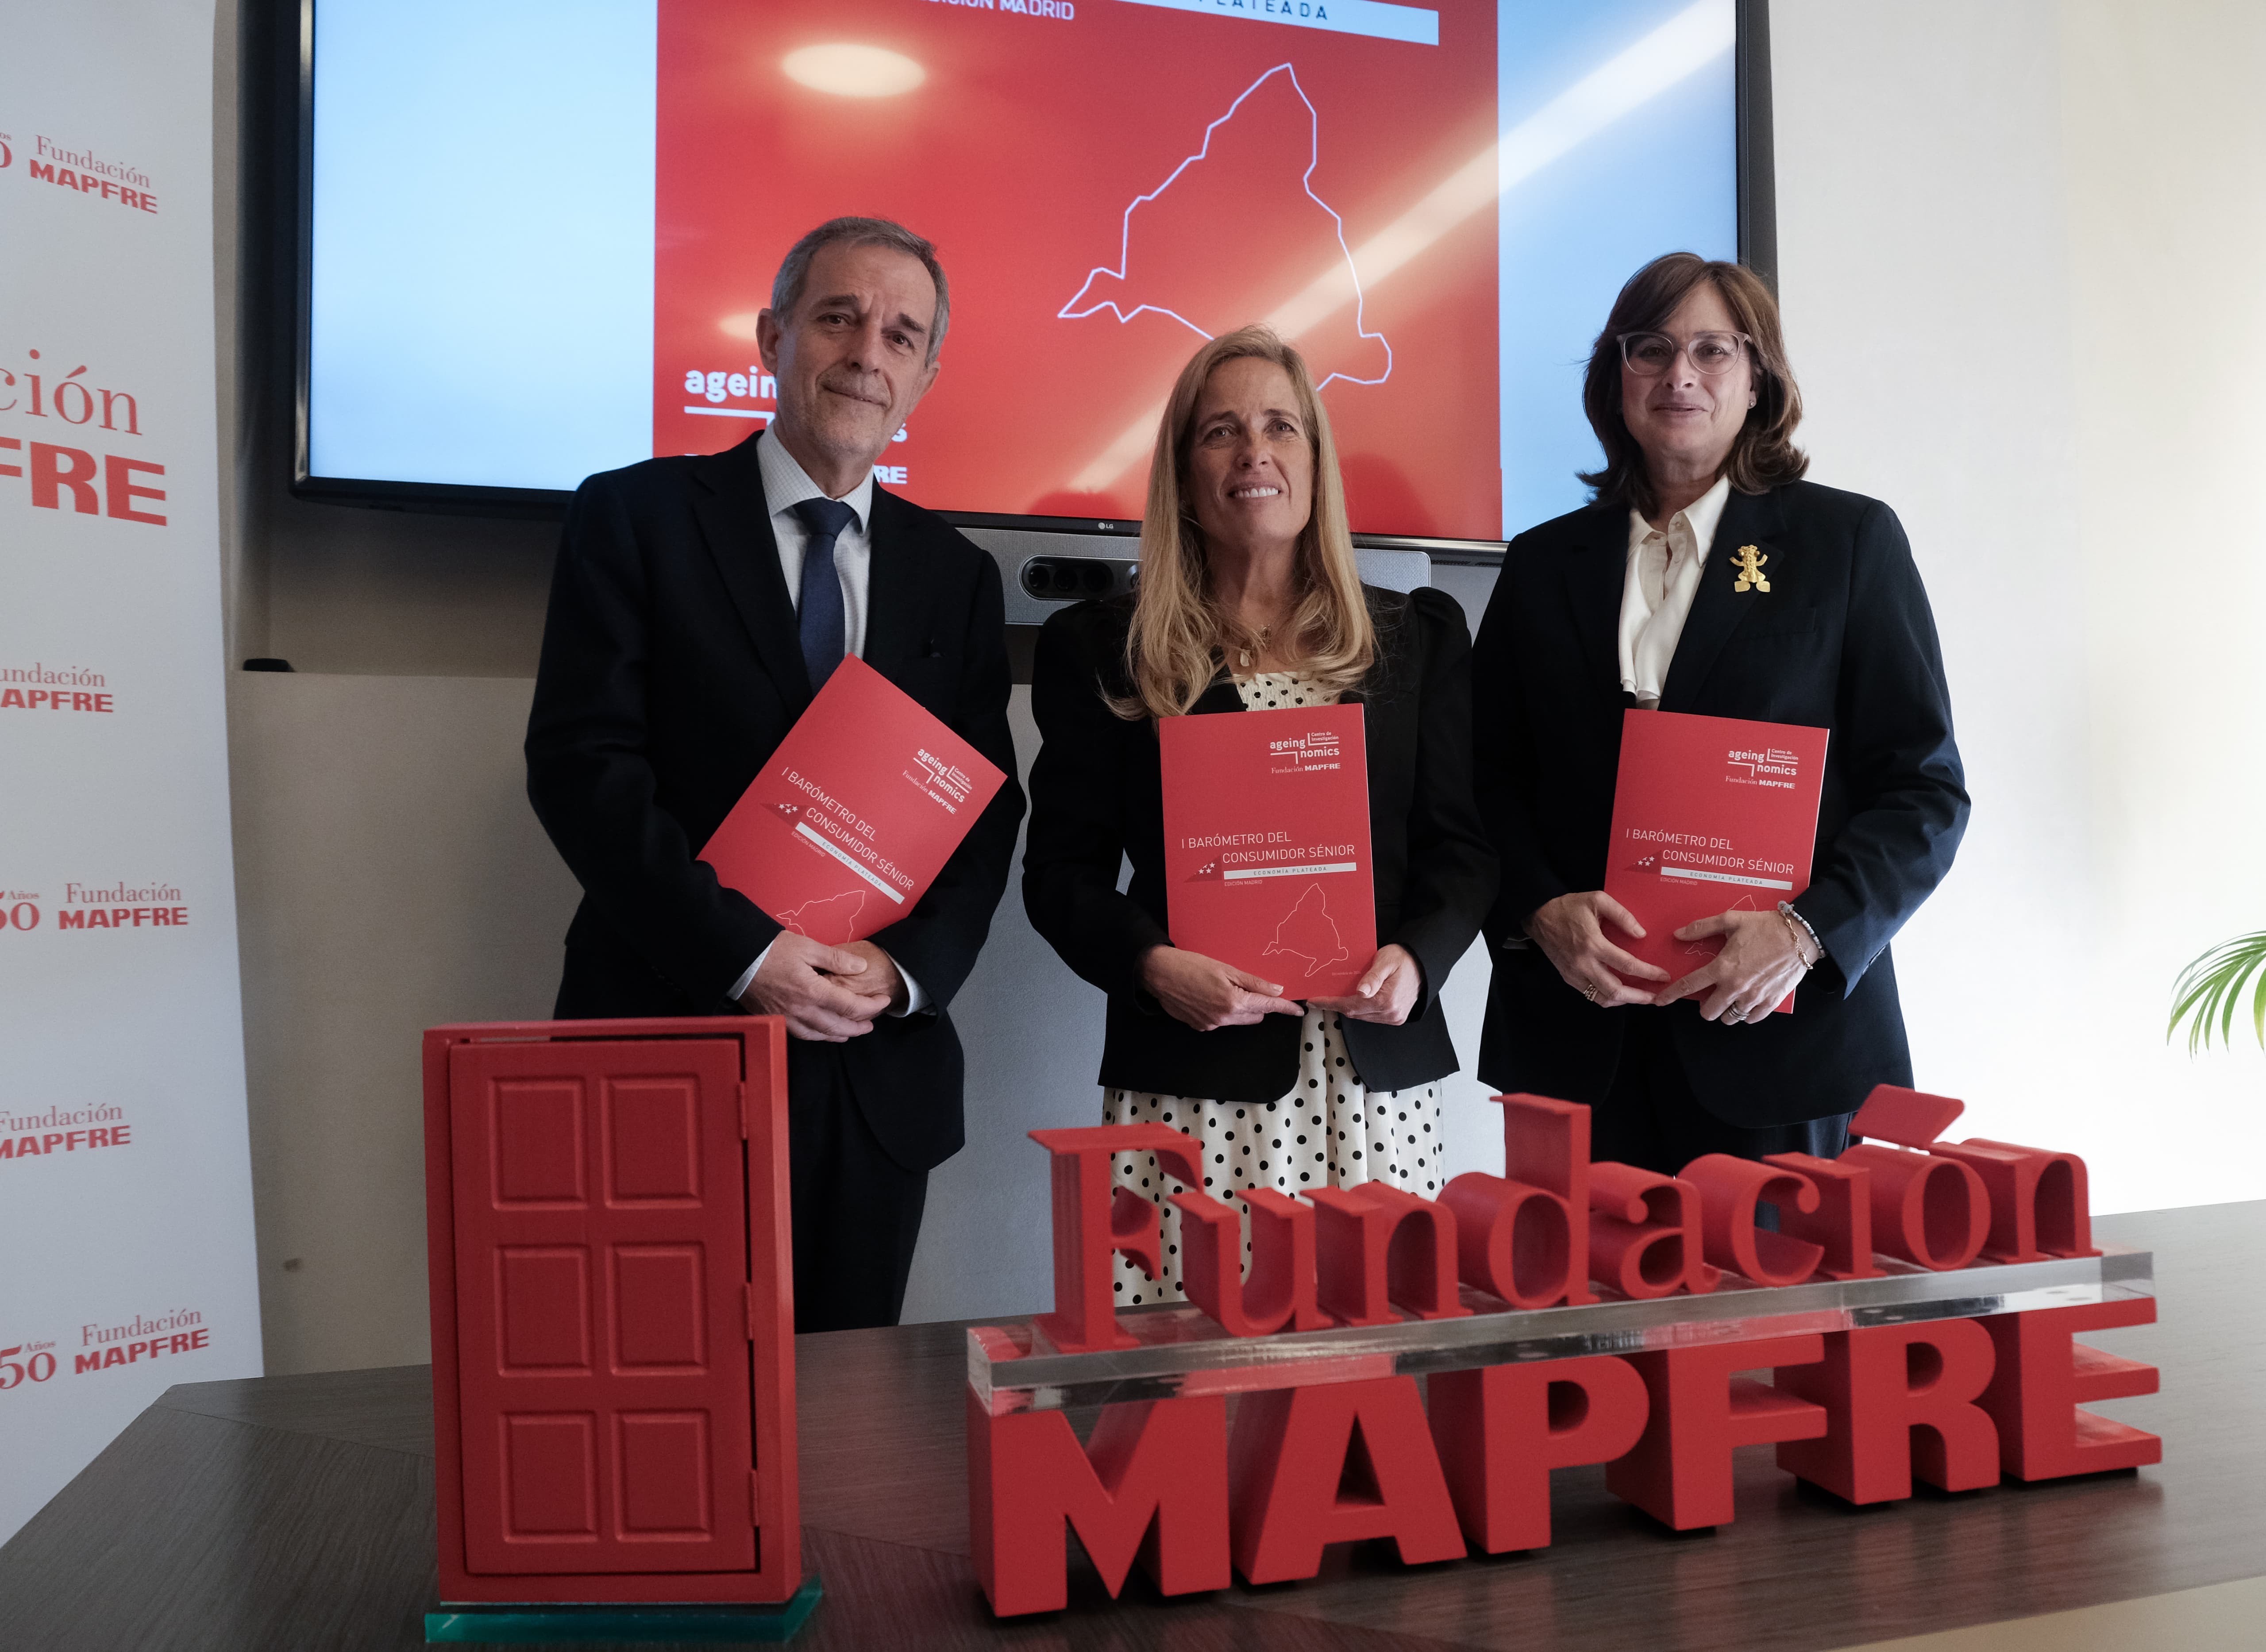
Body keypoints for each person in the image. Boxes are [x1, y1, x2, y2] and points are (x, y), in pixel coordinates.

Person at [525, 217, 1025, 1330]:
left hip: (869, 1076)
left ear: (926, 377)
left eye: (901, 335)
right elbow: (580, 766)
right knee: (658, 1385)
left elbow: (983, 812)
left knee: (847, 1411)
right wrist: (747, 955)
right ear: (771, 336)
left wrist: (903, 972)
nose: (867, 354)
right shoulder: (635, 516)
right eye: (838, 317)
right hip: (667, 1043)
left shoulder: (955, 576)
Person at [1023, 325, 1496, 1305]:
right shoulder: (1104, 649)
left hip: (1374, 1078)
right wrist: (1153, 968)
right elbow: (1060, 875)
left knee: (1371, 1359)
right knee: (1192, 1362)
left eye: (1282, 427)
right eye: (1221, 432)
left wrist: (1419, 961)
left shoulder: (1415, 639)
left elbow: (1461, 849)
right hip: (1192, 1075)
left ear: (1316, 460)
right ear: (1182, 471)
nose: (1254, 453)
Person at [1472, 252, 1969, 1174]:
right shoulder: (1542, 564)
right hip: (1578, 1044)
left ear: (1758, 379)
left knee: (1769, 1281)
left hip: (1780, 1045)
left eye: (1712, 350)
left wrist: (1806, 934)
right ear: (1615, 376)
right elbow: (1483, 777)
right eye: (1651, 349)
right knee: (1577, 1278)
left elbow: (1925, 793)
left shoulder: (1846, 543)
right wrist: (1538, 910)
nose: (1680, 375)